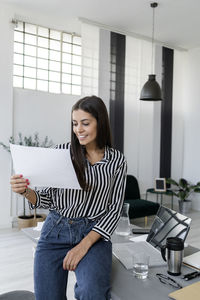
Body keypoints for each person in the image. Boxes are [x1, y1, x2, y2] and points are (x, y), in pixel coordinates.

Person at [10, 95, 127, 300]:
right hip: (56, 230)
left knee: (92, 294)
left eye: (85, 123)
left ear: (100, 122)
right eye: (74, 123)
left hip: (94, 233)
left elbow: (114, 209)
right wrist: (25, 191)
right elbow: (47, 199)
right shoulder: (63, 152)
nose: (78, 129)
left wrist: (83, 245)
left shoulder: (116, 160)